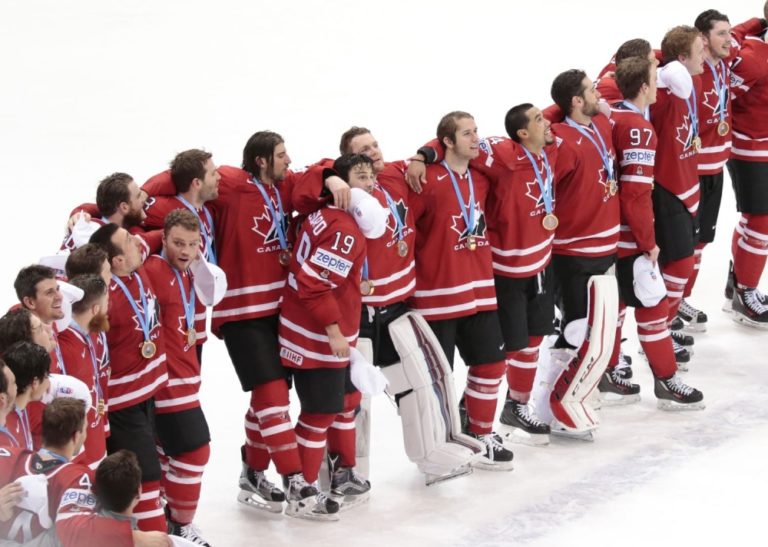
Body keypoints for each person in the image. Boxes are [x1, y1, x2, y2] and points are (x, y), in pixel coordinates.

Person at [406, 111, 514, 468]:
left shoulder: (481, 178)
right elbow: (406, 232)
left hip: (480, 290)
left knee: (492, 364)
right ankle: (439, 444)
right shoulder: (426, 180)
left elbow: (507, 161)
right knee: (438, 378)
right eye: (466, 134)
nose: (475, 138)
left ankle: (481, 432)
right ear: (448, 142)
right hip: (437, 297)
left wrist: (427, 151)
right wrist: (425, 155)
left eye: (476, 131)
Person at [279, 166, 387, 516]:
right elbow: (314, 284)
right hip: (315, 339)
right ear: (342, 184)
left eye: (371, 177)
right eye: (360, 177)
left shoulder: (325, 212)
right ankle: (303, 493)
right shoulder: (345, 231)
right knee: (320, 412)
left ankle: (340, 475)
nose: (370, 184)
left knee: (344, 402)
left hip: (310, 329)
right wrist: (334, 331)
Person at [602, 57, 705, 409]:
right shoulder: (638, 129)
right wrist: (648, 242)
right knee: (653, 306)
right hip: (629, 236)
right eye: (654, 77)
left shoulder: (611, 115)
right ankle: (666, 381)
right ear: (644, 87)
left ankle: (608, 372)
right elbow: (635, 193)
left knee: (615, 307)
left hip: (605, 232)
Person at [0, 397, 170, 546]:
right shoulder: (78, 479)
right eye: (86, 429)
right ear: (76, 436)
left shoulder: (8, 457)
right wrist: (135, 537)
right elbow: (75, 531)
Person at [89, 223, 169, 532]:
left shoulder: (137, 262)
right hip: (123, 405)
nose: (137, 241)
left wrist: (85, 211)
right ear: (117, 261)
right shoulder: (103, 300)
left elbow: (156, 232)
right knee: (144, 477)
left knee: (150, 472)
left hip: (148, 394)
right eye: (129, 241)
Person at [142, 209, 212, 545]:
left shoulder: (190, 270)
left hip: (185, 378)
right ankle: (179, 524)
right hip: (166, 382)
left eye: (192, 244)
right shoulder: (153, 269)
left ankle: (165, 514)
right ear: (164, 240)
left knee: (167, 454)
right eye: (177, 243)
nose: (185, 251)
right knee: (195, 450)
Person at [647, 26, 705, 363]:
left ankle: (665, 327)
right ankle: (658, 332)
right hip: (667, 191)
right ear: (681, 59)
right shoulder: (662, 96)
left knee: (684, 262)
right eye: (699, 51)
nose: (705, 57)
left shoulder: (690, 84)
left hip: (688, 185)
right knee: (678, 264)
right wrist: (662, 67)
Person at [142, 149, 222, 361]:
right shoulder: (164, 208)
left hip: (195, 312)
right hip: (170, 316)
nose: (219, 177)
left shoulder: (208, 210)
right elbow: (121, 206)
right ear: (196, 183)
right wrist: (84, 213)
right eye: (213, 173)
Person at [725, 2, 768, 327]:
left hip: (761, 144)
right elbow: (719, 96)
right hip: (750, 147)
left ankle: (737, 282)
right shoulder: (753, 57)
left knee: (756, 218)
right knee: (761, 220)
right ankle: (744, 292)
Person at [56, 274, 110, 468]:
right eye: (107, 302)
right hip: (78, 451)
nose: (109, 308)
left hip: (93, 436)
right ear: (95, 309)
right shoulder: (68, 345)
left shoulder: (86, 334)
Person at [1, 342, 51, 449]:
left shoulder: (22, 410)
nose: (49, 383)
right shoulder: (5, 424)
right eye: (47, 376)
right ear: (35, 383)